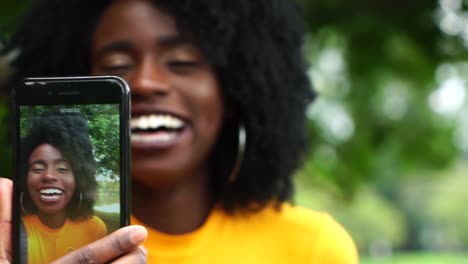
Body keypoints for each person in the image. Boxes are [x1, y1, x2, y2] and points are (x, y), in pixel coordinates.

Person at [0, 0, 359, 263]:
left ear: (235, 92)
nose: (144, 82)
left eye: (182, 62)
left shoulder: (313, 247)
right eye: (117, 66)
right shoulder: (19, 240)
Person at [20, 113, 107, 263]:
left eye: (62, 168)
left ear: (78, 179)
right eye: (38, 169)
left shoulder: (95, 228)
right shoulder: (13, 231)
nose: (48, 176)